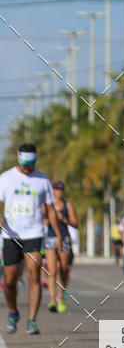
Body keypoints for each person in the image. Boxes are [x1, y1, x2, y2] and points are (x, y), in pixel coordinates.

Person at [0, 143, 62, 334]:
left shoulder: (42, 180)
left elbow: (50, 209)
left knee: (33, 275)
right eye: (24, 163)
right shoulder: (6, 178)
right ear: (18, 158)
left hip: (34, 234)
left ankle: (32, 320)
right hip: (11, 235)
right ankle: (12, 312)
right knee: (9, 280)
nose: (27, 167)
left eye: (31, 163)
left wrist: (57, 235)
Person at [45, 181, 78, 313]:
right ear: (52, 190)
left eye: (61, 189)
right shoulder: (48, 204)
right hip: (50, 238)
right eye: (56, 189)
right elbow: (41, 218)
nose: (59, 191)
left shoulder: (67, 205)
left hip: (64, 238)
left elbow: (75, 223)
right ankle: (52, 299)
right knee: (52, 270)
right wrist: (48, 220)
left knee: (64, 269)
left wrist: (64, 219)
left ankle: (61, 295)